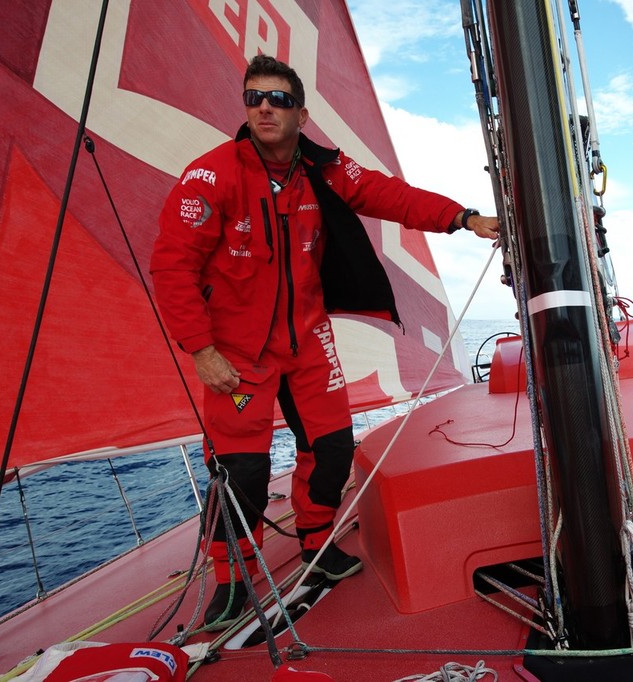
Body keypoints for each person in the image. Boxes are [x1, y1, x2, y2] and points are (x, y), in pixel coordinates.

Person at [150, 55, 499, 629]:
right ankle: (233, 581)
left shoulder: (322, 170)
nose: (265, 106)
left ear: (302, 114)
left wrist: (464, 218)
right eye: (254, 97)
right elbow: (172, 269)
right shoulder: (210, 176)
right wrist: (201, 350)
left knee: (334, 447)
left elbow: (392, 197)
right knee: (241, 471)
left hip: (308, 340)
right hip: (237, 353)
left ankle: (317, 546)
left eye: (279, 99)